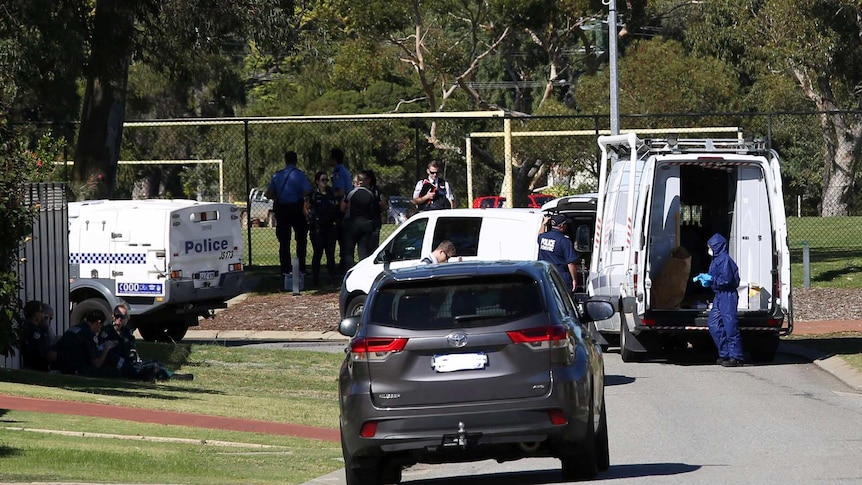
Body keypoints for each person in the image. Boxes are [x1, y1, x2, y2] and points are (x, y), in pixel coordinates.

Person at [99, 303, 192, 381]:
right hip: (117, 363)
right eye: (117, 315)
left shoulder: (126, 332)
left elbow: (131, 348)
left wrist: (133, 353)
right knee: (146, 369)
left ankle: (172, 375)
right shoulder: (106, 332)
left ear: (126, 318)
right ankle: (165, 375)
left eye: (122, 317)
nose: (118, 319)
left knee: (154, 363)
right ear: (112, 315)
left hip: (130, 361)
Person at [694, 233, 744, 367]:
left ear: (717, 246)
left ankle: (736, 357)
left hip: (727, 296)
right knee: (714, 325)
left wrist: (711, 280)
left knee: (730, 326)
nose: (709, 249)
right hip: (719, 296)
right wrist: (707, 280)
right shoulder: (716, 260)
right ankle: (725, 354)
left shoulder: (725, 260)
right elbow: (716, 277)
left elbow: (726, 280)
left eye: (710, 247)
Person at [266, 150, 312, 287]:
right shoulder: (300, 175)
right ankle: (301, 268)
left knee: (284, 241)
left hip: (282, 209)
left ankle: (285, 269)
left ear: (285, 160)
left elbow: (269, 193)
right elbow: (308, 190)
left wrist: (278, 197)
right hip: (296, 208)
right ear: (296, 160)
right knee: (301, 239)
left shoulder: (277, 175)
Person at [54, 310, 120, 378]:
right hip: (78, 370)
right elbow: (97, 364)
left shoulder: (72, 329)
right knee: (115, 372)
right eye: (101, 326)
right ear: (98, 322)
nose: (99, 330)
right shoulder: (89, 335)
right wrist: (107, 348)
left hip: (62, 368)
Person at [305, 171, 339, 286]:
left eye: (326, 180)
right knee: (317, 253)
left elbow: (336, 207)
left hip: (330, 227)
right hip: (317, 228)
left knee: (330, 253)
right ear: (317, 182)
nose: (325, 182)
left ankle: (332, 277)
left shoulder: (331, 193)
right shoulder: (313, 194)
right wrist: (310, 218)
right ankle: (315, 279)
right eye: (322, 180)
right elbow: (305, 208)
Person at [341, 172, 379, 268]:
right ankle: (363, 270)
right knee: (363, 252)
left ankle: (348, 271)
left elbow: (342, 208)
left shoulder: (350, 194)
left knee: (349, 252)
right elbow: (374, 209)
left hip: (352, 225)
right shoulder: (370, 194)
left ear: (356, 182)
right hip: (366, 225)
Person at [537, 214, 579, 293]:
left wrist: (544, 224)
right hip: (560, 277)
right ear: (562, 226)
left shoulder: (543, 237)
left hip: (545, 275)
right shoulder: (564, 241)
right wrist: (574, 280)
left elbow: (539, 234)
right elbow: (570, 263)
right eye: (566, 224)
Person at [329, 148, 353, 273]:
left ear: (334, 159)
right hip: (346, 206)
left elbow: (341, 191)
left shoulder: (338, 171)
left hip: (341, 208)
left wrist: (330, 193)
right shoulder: (343, 170)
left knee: (341, 235)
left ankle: (344, 263)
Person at [19, 300, 57, 371]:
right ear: (36, 314)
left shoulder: (26, 327)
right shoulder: (35, 332)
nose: (43, 315)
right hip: (38, 368)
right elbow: (47, 353)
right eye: (42, 311)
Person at [361, 169, 387, 250]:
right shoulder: (359, 190)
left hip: (374, 221)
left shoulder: (377, 191)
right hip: (362, 221)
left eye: (363, 179)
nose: (361, 181)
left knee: (373, 245)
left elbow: (383, 206)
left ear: (369, 179)